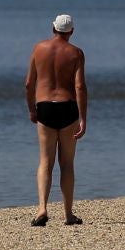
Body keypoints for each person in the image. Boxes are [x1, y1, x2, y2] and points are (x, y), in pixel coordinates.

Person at [25, 13, 88, 226]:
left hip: (45, 108)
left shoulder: (38, 49)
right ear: (71, 31)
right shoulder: (76, 53)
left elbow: (28, 84)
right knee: (67, 163)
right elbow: (79, 86)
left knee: (45, 161)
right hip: (68, 108)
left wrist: (32, 110)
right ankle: (68, 214)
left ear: (53, 29)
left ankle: (42, 208)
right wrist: (83, 118)